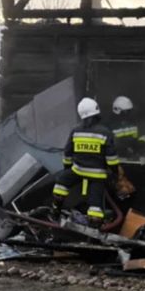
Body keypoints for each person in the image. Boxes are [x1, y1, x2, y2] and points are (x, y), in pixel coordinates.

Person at [52, 97, 120, 226]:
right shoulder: (105, 133)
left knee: (60, 184)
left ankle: (55, 212)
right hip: (98, 176)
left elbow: (67, 154)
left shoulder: (75, 131)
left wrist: (67, 169)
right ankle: (94, 230)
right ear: (97, 112)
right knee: (95, 207)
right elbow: (112, 160)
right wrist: (115, 174)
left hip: (78, 171)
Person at [110, 95, 145, 159]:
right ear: (117, 110)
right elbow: (110, 144)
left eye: (129, 111)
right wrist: (124, 150)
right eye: (126, 111)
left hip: (132, 159)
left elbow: (141, 137)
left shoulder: (133, 123)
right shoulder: (109, 125)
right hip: (116, 159)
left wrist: (140, 145)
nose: (128, 114)